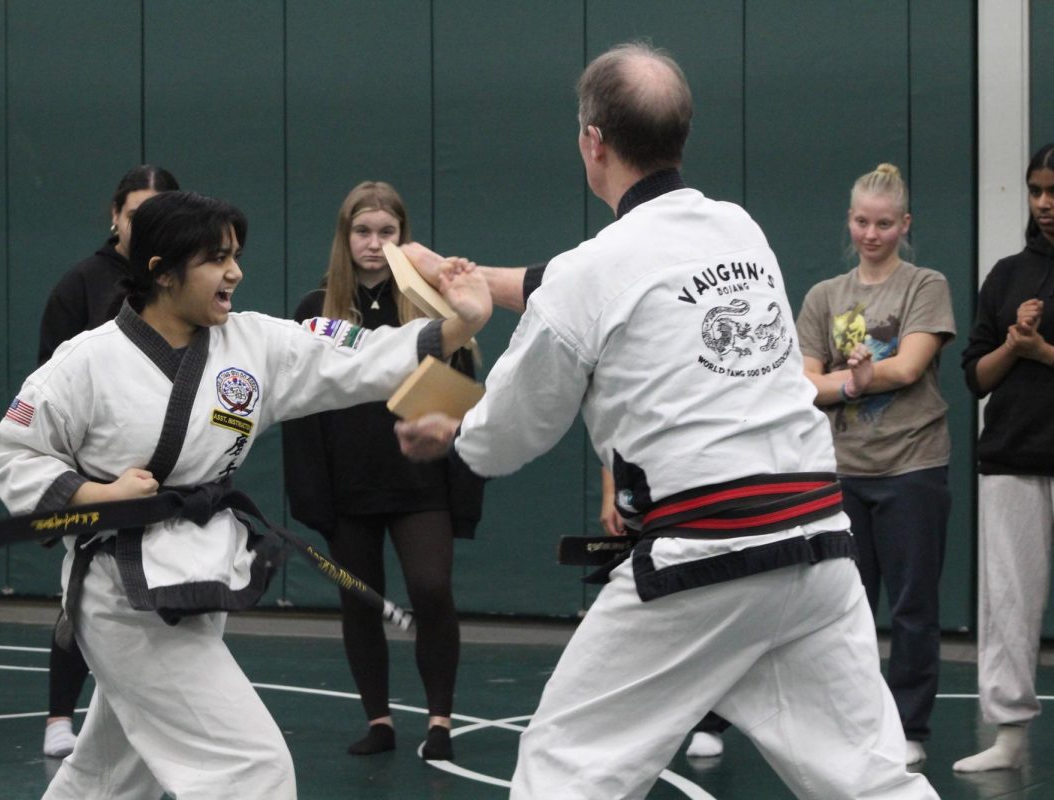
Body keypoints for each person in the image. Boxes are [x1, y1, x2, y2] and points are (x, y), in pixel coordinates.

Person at [395, 43, 937, 798]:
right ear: (680, 133)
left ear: (593, 141)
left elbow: (504, 436)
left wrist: (451, 424)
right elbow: (602, 281)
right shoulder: (738, 230)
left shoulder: (594, 272)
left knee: (562, 773)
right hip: (814, 547)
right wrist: (468, 274)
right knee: (872, 778)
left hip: (703, 561)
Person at [0, 190, 490, 799]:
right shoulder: (86, 362)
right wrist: (96, 491)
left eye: (236, 255)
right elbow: (12, 451)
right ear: (162, 271)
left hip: (193, 572)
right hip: (122, 594)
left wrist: (460, 323)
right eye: (217, 259)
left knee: (111, 778)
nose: (235, 272)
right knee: (251, 769)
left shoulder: (254, 345)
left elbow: (355, 357)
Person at [282, 181, 481, 761]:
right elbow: (299, 406)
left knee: (431, 589)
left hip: (421, 484)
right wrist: (313, 497)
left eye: (386, 233)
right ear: (345, 238)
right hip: (348, 488)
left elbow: (463, 397)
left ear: (403, 237)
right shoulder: (313, 311)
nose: (373, 244)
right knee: (361, 602)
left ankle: (440, 721)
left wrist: (461, 478)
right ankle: (380, 720)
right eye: (362, 232)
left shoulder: (433, 309)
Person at [796, 164, 954, 767]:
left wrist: (855, 379)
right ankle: (850, 724)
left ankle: (910, 726)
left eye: (884, 224)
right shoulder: (823, 297)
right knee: (846, 606)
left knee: (914, 605)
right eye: (862, 221)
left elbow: (910, 367)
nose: (871, 233)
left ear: (904, 224)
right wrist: (855, 383)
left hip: (913, 466)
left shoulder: (925, 285)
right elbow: (804, 386)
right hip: (844, 472)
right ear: (849, 220)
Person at [35, 164, 180, 759]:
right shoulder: (80, 286)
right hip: (96, 478)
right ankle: (57, 717)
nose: (144, 224)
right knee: (84, 594)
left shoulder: (181, 282)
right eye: (135, 213)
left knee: (156, 601)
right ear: (114, 215)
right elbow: (46, 386)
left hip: (167, 473)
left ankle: (132, 726)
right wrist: (75, 483)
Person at [954, 142, 1054, 773]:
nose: (1045, 204)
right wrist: (1016, 347)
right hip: (1013, 457)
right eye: (1036, 191)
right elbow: (976, 376)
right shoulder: (1006, 274)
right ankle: (1010, 739)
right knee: (1009, 601)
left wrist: (1043, 352)